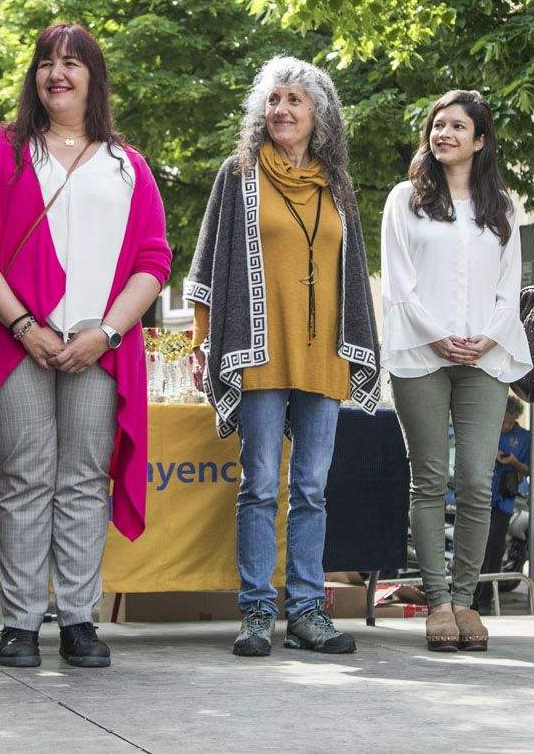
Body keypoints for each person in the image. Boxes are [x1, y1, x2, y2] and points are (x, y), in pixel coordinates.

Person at [0, 23, 170, 670]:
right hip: (17, 340)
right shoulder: (0, 150)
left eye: (72, 62)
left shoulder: (128, 165)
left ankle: (77, 619)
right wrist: (22, 325)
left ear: (93, 77)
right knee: (24, 478)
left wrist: (108, 332)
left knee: (82, 481)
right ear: (34, 76)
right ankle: (19, 622)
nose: (57, 73)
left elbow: (154, 260)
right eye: (46, 61)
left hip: (100, 345)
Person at [186, 56, 381, 658]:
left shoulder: (336, 183)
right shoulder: (238, 174)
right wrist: (201, 335)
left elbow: (353, 273)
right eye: (273, 101)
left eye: (295, 100)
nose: (282, 111)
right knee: (261, 485)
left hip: (324, 354)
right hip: (260, 350)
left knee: (314, 488)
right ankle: (256, 613)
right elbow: (211, 262)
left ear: (318, 113)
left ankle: (306, 611)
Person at [379, 89, 530, 651]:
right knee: (429, 480)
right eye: (438, 125)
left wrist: (487, 336)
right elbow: (398, 282)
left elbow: (509, 283)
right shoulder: (405, 199)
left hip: (486, 356)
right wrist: (437, 336)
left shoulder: (504, 206)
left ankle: (466, 601)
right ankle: (437, 601)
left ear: (480, 140)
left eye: (457, 126)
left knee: (474, 479)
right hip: (421, 355)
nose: (444, 133)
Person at [472, 395, 532, 615]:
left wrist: (514, 462)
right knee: (475, 548)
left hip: (504, 500)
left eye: (509, 421)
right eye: (502, 421)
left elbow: (529, 470)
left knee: (495, 549)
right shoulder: (486, 430)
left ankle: (484, 601)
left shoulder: (525, 437)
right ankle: (468, 598)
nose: (505, 425)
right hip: (480, 495)